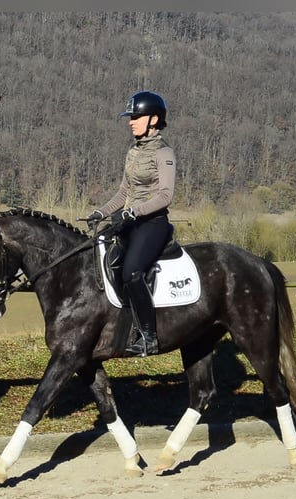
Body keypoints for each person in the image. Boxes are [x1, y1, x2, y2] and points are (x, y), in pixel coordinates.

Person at [86, 90, 176, 357]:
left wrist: (136, 212)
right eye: (131, 117)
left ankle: (149, 337)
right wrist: (101, 212)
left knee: (132, 272)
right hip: (130, 220)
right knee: (108, 263)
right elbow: (124, 192)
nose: (130, 121)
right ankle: (121, 326)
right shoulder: (133, 152)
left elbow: (165, 195)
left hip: (152, 223)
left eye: (136, 117)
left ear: (154, 119)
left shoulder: (164, 153)